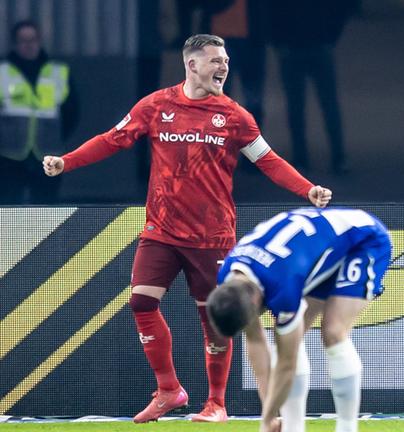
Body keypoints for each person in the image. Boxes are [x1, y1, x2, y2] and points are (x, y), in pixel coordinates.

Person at [42, 34, 333, 423]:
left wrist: (307, 189)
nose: (223, 67)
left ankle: (216, 403)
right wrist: (67, 161)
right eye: (215, 60)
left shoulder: (234, 116)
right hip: (160, 229)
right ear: (192, 64)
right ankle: (168, 390)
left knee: (214, 318)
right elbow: (112, 141)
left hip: (211, 237)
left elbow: (268, 161)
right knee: (141, 302)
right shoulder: (157, 105)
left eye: (226, 60)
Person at [207, 207, 391, 432]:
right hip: (315, 250)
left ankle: (347, 427)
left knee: (333, 331)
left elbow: (287, 363)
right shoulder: (228, 278)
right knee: (290, 335)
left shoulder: (284, 287)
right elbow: (255, 341)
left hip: (363, 240)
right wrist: (269, 413)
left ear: (255, 303)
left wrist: (265, 423)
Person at [266, 0, 357, 174]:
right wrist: (331, 35)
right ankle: (338, 156)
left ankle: (301, 157)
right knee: (328, 104)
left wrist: (277, 40)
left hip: (291, 46)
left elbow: (271, 11)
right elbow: (341, 8)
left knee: (296, 106)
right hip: (319, 42)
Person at [0, 20, 78, 204]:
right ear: (14, 43)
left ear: (40, 41)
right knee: (8, 209)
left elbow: (72, 112)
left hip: (48, 155)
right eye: (23, 40)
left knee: (46, 210)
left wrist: (57, 137)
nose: (28, 45)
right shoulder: (2, 72)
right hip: (9, 156)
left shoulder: (58, 71)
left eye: (32, 39)